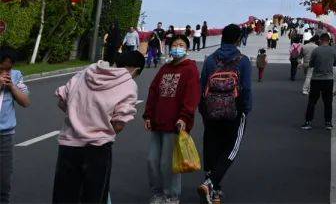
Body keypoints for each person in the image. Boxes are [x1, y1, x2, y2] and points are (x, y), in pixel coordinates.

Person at [52, 50, 144, 203]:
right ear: (136, 70)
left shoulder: (86, 72)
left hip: (68, 145)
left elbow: (62, 101)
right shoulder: (128, 84)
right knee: (93, 197)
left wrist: (77, 117)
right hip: (98, 147)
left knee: (64, 196)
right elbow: (119, 124)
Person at [197, 24, 252, 204]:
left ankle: (214, 191)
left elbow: (202, 84)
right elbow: (247, 88)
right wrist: (246, 109)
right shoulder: (243, 60)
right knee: (231, 149)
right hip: (234, 111)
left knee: (212, 146)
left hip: (210, 110)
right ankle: (211, 183)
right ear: (238, 39)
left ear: (221, 37)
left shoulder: (211, 58)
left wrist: (203, 109)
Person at [144, 34, 200, 204]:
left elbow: (192, 96)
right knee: (152, 161)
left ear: (186, 49)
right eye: (175, 44)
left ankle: (171, 196)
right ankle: (157, 193)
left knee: (167, 163)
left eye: (181, 44)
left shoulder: (190, 69)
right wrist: (148, 115)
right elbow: (153, 91)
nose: (178, 47)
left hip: (175, 124)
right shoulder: (165, 68)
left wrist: (184, 117)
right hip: (157, 122)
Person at [1, 47, 30, 204]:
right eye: (3, 68)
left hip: (5, 135)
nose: (6, 71)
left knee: (4, 180)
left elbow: (26, 102)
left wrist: (12, 86)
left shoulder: (16, 76)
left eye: (9, 68)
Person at [302, 34, 336, 130]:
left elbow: (311, 64)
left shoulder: (316, 50)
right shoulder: (333, 50)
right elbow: (335, 64)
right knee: (328, 102)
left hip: (316, 79)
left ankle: (308, 122)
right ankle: (328, 123)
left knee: (312, 102)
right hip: (328, 80)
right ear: (329, 40)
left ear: (321, 40)